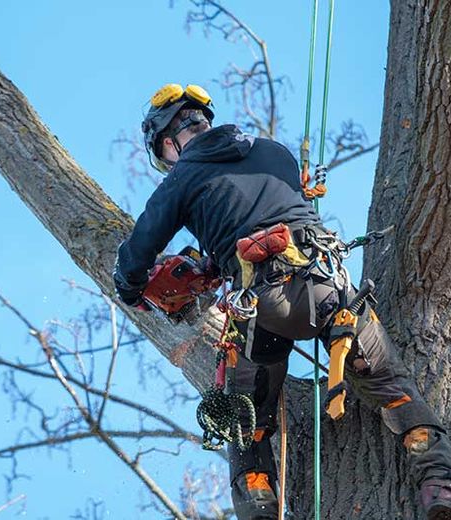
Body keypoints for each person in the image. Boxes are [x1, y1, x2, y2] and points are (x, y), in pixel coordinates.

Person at [113, 83, 451, 520]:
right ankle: (439, 482)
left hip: (263, 307)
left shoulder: (181, 179)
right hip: (329, 288)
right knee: (392, 386)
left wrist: (129, 287)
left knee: (245, 421)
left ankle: (257, 504)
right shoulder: (273, 152)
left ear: (171, 141)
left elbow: (136, 253)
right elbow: (259, 207)